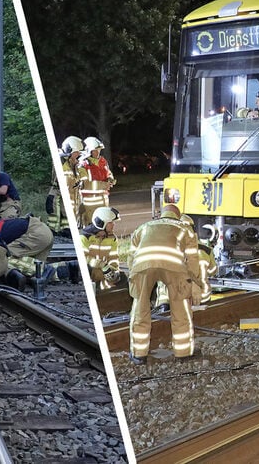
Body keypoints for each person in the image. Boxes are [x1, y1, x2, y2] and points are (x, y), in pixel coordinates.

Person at [127, 204, 206, 364]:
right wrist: (195, 283)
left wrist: (134, 276)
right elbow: (192, 260)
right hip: (174, 268)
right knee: (181, 310)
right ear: (177, 216)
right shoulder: (185, 228)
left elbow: (131, 256)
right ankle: (183, 353)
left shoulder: (143, 227)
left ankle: (138, 355)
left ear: (161, 215)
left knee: (140, 309)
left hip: (143, 266)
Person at [47, 136, 88, 233]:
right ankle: (52, 231)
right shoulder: (61, 162)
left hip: (73, 195)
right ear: (70, 151)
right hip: (59, 191)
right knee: (54, 211)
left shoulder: (75, 163)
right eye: (76, 152)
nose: (78, 154)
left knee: (67, 215)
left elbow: (81, 176)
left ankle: (66, 231)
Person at [81, 206, 123, 291]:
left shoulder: (112, 239)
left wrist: (115, 272)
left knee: (123, 280)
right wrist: (102, 265)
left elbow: (114, 259)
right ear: (101, 222)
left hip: (101, 277)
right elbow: (83, 259)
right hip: (87, 274)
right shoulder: (84, 237)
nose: (113, 224)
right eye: (111, 222)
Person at [80, 137, 116, 216]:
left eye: (99, 150)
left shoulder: (103, 161)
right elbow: (85, 185)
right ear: (89, 151)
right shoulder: (83, 165)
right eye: (96, 150)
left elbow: (108, 173)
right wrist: (104, 185)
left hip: (104, 200)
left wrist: (110, 179)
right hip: (90, 205)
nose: (98, 152)